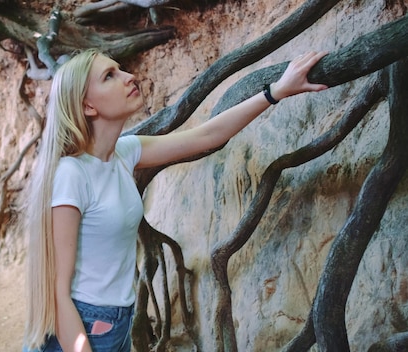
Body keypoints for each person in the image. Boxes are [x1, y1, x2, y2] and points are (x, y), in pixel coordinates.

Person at [23, 48, 328, 352]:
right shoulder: (71, 174)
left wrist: (276, 91)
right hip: (79, 326)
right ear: (88, 106)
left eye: (120, 69)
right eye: (109, 76)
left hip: (116, 321)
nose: (129, 77)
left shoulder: (124, 154)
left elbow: (207, 136)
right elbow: (57, 292)